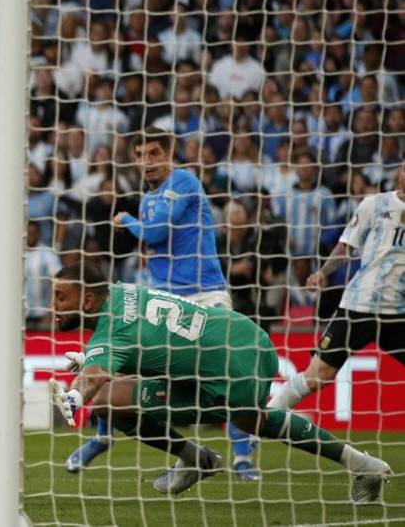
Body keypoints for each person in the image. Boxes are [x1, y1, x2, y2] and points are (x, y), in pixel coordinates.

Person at [48, 260, 390, 502]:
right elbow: (137, 346)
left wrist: (74, 398)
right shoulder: (122, 292)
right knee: (253, 420)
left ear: (88, 300)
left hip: (228, 367)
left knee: (110, 402)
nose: (53, 306)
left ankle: (197, 459)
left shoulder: (110, 333)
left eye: (60, 298)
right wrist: (89, 361)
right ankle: (363, 465)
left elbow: (97, 373)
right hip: (245, 336)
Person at [65, 126, 259, 480]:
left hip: (205, 294)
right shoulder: (147, 198)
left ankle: (243, 456)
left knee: (230, 376)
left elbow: (156, 233)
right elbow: (151, 246)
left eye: (154, 153)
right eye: (140, 154)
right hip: (165, 298)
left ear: (169, 154)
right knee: (121, 362)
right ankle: (102, 437)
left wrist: (127, 220)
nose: (147, 161)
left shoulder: (183, 182)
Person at [269, 162, 405, 411]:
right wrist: (322, 272)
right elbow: (345, 247)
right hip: (359, 306)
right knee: (318, 376)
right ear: (399, 173)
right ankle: (263, 420)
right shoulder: (375, 204)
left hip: (399, 312)